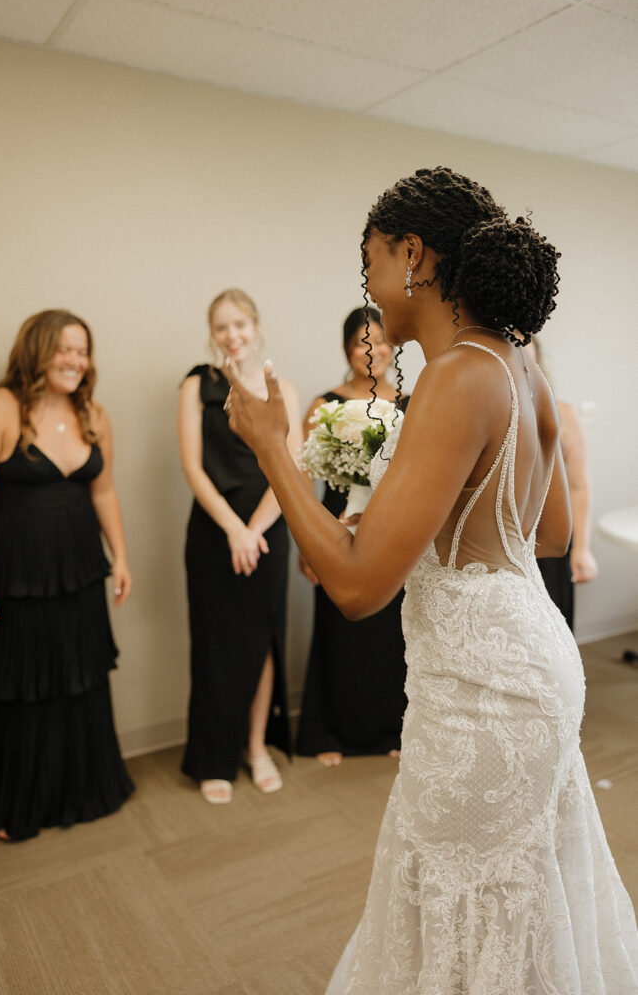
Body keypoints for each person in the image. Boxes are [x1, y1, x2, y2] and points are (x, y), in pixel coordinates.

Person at [224, 169, 638, 992]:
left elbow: (353, 590)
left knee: (465, 900)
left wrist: (270, 443)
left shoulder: (455, 376)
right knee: (511, 896)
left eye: (370, 261)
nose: (370, 287)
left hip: (485, 694)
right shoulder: (521, 367)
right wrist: (386, 530)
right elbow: (544, 534)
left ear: (413, 254)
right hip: (534, 661)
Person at [0, 309, 134, 841]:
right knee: (17, 684)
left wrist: (121, 557)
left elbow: (103, 490)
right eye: (66, 349)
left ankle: (74, 791)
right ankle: (13, 803)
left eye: (83, 351)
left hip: (77, 573)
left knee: (74, 677)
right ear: (37, 349)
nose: (77, 361)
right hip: (12, 578)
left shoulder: (93, 414)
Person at [177, 288, 302, 805]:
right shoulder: (196, 384)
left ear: (255, 327)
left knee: (262, 643)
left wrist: (254, 529)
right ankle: (213, 757)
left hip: (267, 531)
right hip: (213, 530)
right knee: (214, 646)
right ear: (212, 333)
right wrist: (233, 528)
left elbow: (289, 469)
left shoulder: (284, 390)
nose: (232, 335)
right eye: (222, 327)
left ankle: (255, 749)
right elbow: (192, 466)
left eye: (240, 325)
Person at [297, 307, 407, 766]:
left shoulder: (409, 402)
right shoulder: (325, 404)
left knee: (391, 633)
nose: (373, 350)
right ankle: (329, 732)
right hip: (335, 525)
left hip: (391, 528)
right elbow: (304, 479)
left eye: (380, 340)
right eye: (363, 341)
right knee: (338, 627)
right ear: (347, 348)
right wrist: (308, 543)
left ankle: (392, 730)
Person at [531, 337, 598, 631]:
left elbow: (578, 485)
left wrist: (582, 548)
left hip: (552, 543)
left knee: (554, 630)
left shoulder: (564, 415)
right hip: (502, 546)